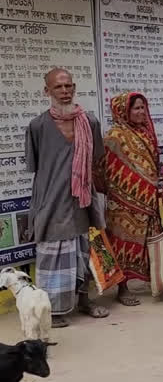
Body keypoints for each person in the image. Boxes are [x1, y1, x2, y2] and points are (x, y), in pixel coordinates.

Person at [25, 68, 110, 328]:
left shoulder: (90, 122)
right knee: (52, 257)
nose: (64, 92)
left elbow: (97, 161)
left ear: (74, 89)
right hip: (50, 201)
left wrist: (98, 196)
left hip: (81, 201)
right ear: (47, 91)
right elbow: (36, 165)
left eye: (68, 86)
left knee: (83, 253)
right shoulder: (38, 126)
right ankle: (55, 310)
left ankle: (84, 300)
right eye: (58, 87)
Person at [102, 92, 162, 307]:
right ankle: (122, 288)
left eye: (142, 108)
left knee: (150, 243)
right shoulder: (113, 137)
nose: (140, 112)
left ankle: (155, 280)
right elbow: (102, 171)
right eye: (135, 108)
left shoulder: (146, 134)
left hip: (148, 201)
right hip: (122, 205)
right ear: (123, 111)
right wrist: (124, 191)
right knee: (122, 243)